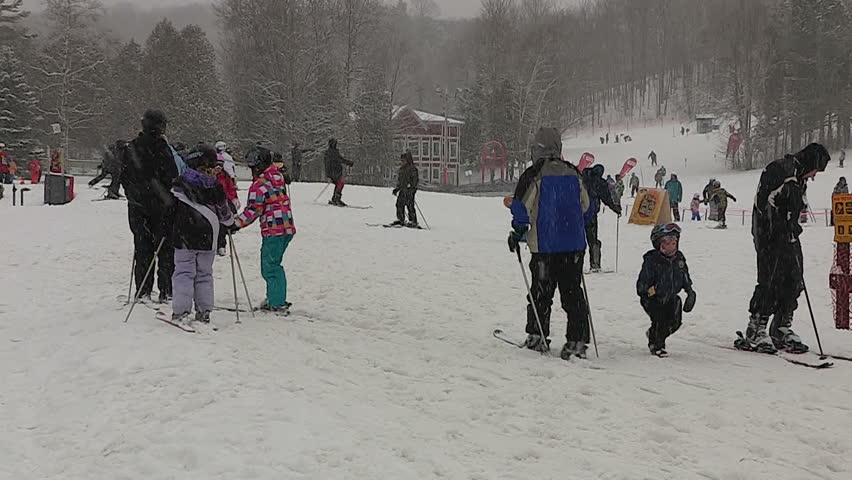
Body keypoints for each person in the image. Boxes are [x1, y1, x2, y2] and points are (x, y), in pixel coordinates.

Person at [509, 127, 592, 360]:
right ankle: (577, 340)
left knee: (541, 293)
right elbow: (588, 207)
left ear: (539, 148)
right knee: (573, 293)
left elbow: (521, 207)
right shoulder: (574, 172)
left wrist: (518, 232)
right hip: (574, 246)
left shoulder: (534, 173)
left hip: (545, 245)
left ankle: (538, 335)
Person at [738, 142, 830, 353]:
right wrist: (777, 228)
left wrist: (792, 226)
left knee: (794, 277)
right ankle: (756, 327)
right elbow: (764, 203)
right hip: (768, 235)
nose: (814, 175)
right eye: (817, 169)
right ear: (812, 161)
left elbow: (794, 207)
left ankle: (781, 325)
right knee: (770, 278)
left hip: (788, 235)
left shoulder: (799, 177)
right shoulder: (780, 170)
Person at [169, 144, 235, 328]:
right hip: (208, 237)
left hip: (184, 237)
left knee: (183, 272)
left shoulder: (180, 184)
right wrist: (231, 224)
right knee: (204, 274)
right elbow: (225, 213)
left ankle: (181, 310)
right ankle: (204, 310)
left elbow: (170, 210)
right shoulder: (215, 187)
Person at [120, 109, 179, 303]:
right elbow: (172, 177)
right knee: (165, 250)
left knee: (143, 248)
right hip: (160, 207)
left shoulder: (132, 147)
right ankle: (166, 291)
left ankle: (143, 290)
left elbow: (124, 178)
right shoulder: (162, 148)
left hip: (139, 207)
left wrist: (135, 198)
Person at [233, 146, 296, 314]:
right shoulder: (277, 177)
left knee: (270, 267)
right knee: (274, 264)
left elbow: (253, 210)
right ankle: (274, 297)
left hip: (273, 230)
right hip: (287, 227)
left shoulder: (259, 185)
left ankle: (277, 302)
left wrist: (236, 223)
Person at [637, 223, 696, 356]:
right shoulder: (652, 260)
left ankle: (654, 334)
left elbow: (685, 277)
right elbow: (642, 284)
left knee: (674, 322)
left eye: (673, 243)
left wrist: (690, 292)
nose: (670, 247)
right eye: (666, 243)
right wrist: (651, 292)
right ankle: (657, 344)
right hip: (653, 298)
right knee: (660, 320)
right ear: (659, 245)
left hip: (671, 296)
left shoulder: (679, 259)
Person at [582, 164, 622, 272]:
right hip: (591, 213)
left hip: (576, 214)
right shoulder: (599, 182)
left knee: (576, 239)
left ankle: (573, 262)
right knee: (593, 239)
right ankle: (595, 264)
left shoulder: (580, 178)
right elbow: (607, 198)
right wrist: (616, 209)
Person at [215, 155, 240, 256]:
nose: (218, 167)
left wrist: (234, 198)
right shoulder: (210, 175)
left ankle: (221, 245)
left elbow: (231, 188)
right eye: (216, 165)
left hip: (224, 202)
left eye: (221, 165)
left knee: (222, 225)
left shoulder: (225, 175)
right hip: (212, 202)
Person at [391, 151, 419, 227]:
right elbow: (400, 181)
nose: (402, 162)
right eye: (401, 161)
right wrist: (397, 189)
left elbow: (415, 180)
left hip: (409, 191)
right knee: (399, 204)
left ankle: (413, 220)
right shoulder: (402, 170)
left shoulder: (412, 169)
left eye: (403, 161)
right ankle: (400, 219)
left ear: (407, 160)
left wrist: (412, 187)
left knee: (410, 206)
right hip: (403, 190)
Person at [324, 138, 353, 206]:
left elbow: (340, 159)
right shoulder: (329, 153)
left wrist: (349, 163)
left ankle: (335, 198)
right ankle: (336, 199)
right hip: (333, 172)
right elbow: (327, 164)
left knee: (339, 184)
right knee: (340, 183)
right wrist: (328, 176)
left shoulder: (335, 152)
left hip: (337, 171)